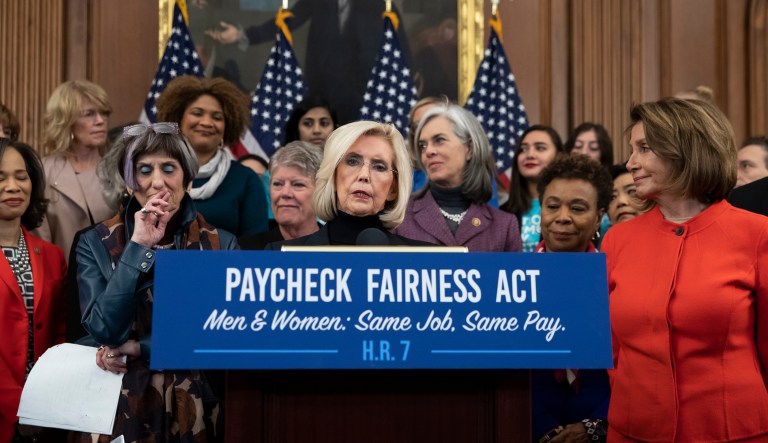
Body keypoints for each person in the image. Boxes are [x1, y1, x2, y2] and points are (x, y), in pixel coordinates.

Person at [602, 98, 768, 442]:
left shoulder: (757, 234)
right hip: (635, 430)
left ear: (687, 151)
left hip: (731, 431)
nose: (631, 163)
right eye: (631, 150)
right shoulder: (617, 239)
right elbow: (612, 349)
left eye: (644, 149)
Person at [73, 123, 238, 443]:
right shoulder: (94, 241)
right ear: (128, 180)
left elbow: (220, 335)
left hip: (194, 403)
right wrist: (137, 246)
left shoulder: (221, 243)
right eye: (144, 170)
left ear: (187, 177)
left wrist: (140, 347)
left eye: (169, 168)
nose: (157, 182)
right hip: (117, 401)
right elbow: (105, 330)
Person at [532, 154, 612, 443]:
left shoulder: (614, 279)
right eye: (553, 206)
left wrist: (596, 426)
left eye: (577, 208)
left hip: (606, 428)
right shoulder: (514, 281)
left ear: (599, 217)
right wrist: (542, 426)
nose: (562, 216)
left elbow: (632, 367)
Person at [267, 121, 430, 248]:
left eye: (379, 166)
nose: (364, 175)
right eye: (352, 161)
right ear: (333, 175)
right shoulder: (281, 256)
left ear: (393, 189)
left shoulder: (425, 262)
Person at [0, 139, 67, 443]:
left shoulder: (52, 255)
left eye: (21, 176)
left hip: (44, 414)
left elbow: (60, 334)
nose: (13, 186)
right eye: (0, 178)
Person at [394, 103, 521, 252]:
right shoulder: (399, 218)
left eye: (439, 140)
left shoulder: (504, 226)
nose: (428, 151)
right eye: (423, 146)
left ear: (470, 148)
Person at [156, 75, 269, 237]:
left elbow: (255, 245)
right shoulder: (156, 174)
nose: (207, 122)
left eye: (217, 117)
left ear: (227, 126)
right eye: (197, 113)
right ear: (178, 119)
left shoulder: (245, 179)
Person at [33, 80, 117, 263]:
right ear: (66, 121)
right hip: (64, 281)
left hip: (116, 283)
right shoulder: (42, 172)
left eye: (104, 113)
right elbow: (39, 244)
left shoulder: (119, 172)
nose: (100, 121)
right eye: (89, 114)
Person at [240, 141, 323, 250]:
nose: (285, 193)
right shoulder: (244, 251)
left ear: (321, 191)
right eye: (278, 184)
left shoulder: (342, 250)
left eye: (298, 184)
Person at [503, 125, 565, 252]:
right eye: (523, 149)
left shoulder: (570, 209)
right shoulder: (504, 212)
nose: (529, 155)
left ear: (558, 155)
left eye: (540, 148)